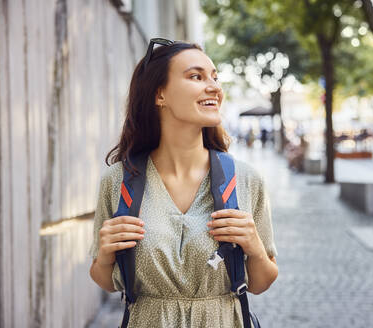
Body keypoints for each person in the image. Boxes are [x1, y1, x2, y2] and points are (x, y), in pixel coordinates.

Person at [88, 39, 278, 327]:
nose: (214, 87)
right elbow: (107, 281)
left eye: (215, 77)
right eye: (196, 76)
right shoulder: (118, 181)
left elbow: (261, 282)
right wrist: (104, 257)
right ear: (159, 94)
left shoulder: (246, 179)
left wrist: (254, 246)